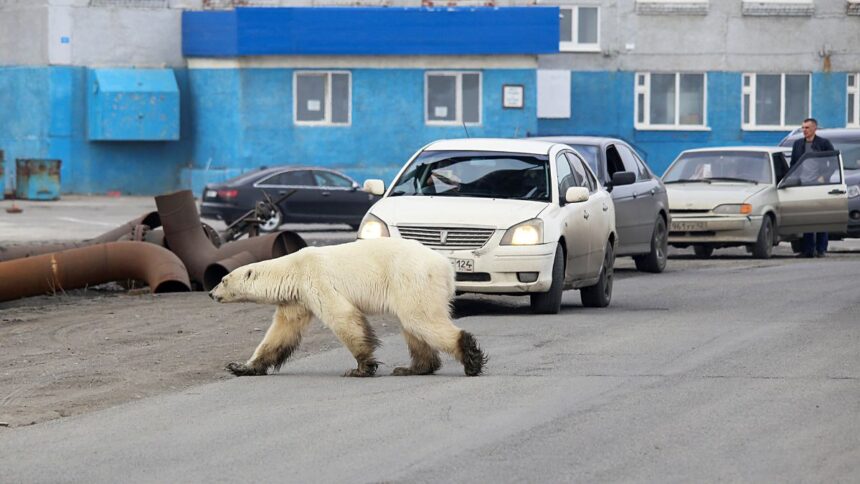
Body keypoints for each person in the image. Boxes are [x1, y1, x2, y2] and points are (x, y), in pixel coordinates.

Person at [790, 118, 835, 258]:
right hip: (803, 186)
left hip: (819, 185)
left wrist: (824, 176)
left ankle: (821, 249)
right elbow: (793, 164)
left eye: (807, 128)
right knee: (806, 218)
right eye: (803, 127)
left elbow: (833, 162)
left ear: (815, 128)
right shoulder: (798, 144)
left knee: (820, 218)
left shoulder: (823, 143)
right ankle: (808, 250)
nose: (804, 130)